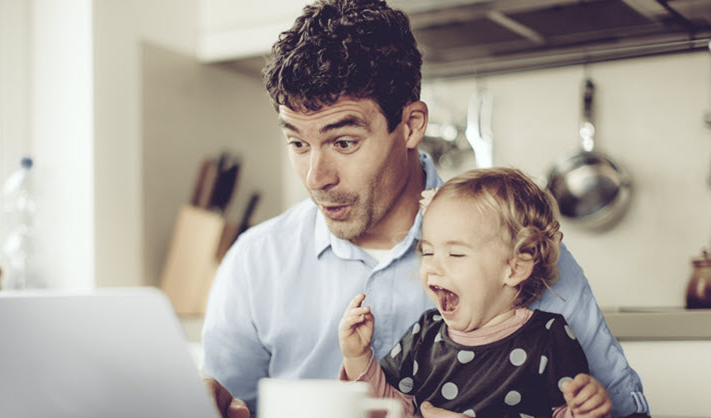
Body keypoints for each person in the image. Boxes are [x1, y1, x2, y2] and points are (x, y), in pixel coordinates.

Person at [200, 0, 649, 417]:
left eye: (344, 142)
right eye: (298, 143)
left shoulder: (514, 243)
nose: (316, 177)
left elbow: (621, 411)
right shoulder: (255, 261)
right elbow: (230, 403)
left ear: (411, 125)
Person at [338, 168, 612, 417]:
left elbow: (567, 411)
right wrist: (357, 357)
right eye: (427, 252)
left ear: (515, 268)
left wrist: (586, 411)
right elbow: (387, 410)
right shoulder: (424, 334)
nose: (432, 266)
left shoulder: (548, 338)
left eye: (456, 254)